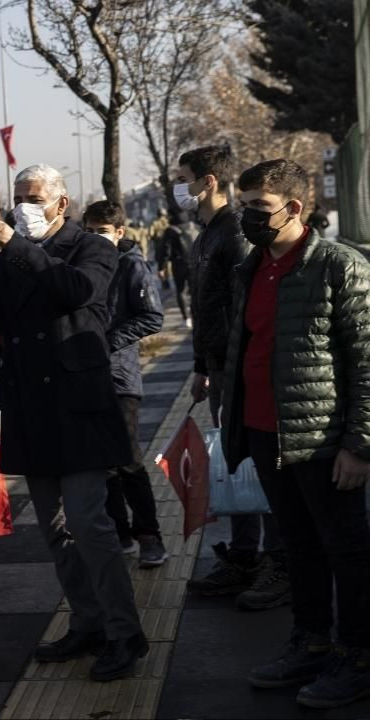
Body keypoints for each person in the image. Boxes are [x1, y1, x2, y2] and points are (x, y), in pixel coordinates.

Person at [0, 164, 146, 682]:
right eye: (17, 197)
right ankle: (89, 621)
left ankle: (126, 633)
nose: (23, 206)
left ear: (62, 203)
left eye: (33, 197)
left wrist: (15, 244)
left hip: (78, 407)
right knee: (55, 530)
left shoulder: (93, 247)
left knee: (90, 525)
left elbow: (76, 291)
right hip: (30, 408)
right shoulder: (10, 254)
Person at [220, 160, 370, 708]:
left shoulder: (338, 266)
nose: (248, 219)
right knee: (299, 549)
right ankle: (310, 642)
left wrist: (359, 446)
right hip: (266, 436)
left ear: (294, 208)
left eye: (257, 209)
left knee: (348, 551)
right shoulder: (251, 268)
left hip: (326, 443)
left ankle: (357, 656)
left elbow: (366, 362)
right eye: (244, 207)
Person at [174, 144, 290, 609]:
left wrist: (233, 364)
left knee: (264, 465)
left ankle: (279, 560)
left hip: (244, 368)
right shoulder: (206, 235)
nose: (179, 187)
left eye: (184, 178)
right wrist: (203, 365)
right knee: (236, 463)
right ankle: (244, 555)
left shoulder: (235, 235)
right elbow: (207, 307)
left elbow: (245, 308)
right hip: (221, 367)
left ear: (209, 182)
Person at [81, 200, 168, 568]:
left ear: (119, 232)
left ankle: (149, 535)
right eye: (89, 232)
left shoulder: (131, 266)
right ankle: (120, 533)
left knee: (129, 459)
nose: (95, 239)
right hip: (86, 377)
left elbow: (151, 317)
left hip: (120, 378)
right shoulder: (79, 266)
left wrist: (108, 340)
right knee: (102, 464)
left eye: (102, 232)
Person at [154, 210, 194, 328]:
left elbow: (166, 250)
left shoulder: (170, 230)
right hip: (194, 262)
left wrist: (161, 267)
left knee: (180, 291)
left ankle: (186, 318)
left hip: (179, 264)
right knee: (194, 290)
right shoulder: (193, 226)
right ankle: (196, 313)